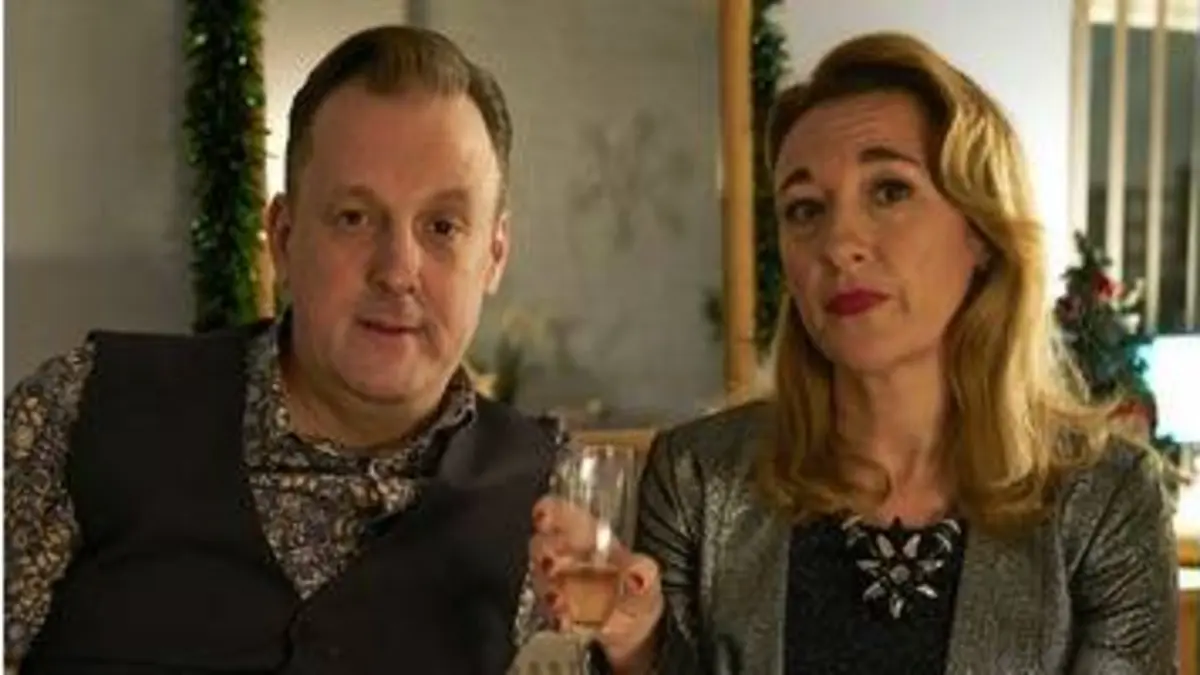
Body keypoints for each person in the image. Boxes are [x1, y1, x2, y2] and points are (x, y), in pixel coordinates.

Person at [531, 31, 1179, 674]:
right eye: (805, 209)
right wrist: (638, 644)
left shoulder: (1106, 500)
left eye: (889, 190)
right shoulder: (698, 479)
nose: (839, 243)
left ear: (981, 233)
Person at [5, 25, 559, 675]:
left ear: (493, 255)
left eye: (442, 226)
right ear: (284, 235)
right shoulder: (84, 411)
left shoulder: (554, 505)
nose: (397, 271)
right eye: (354, 217)